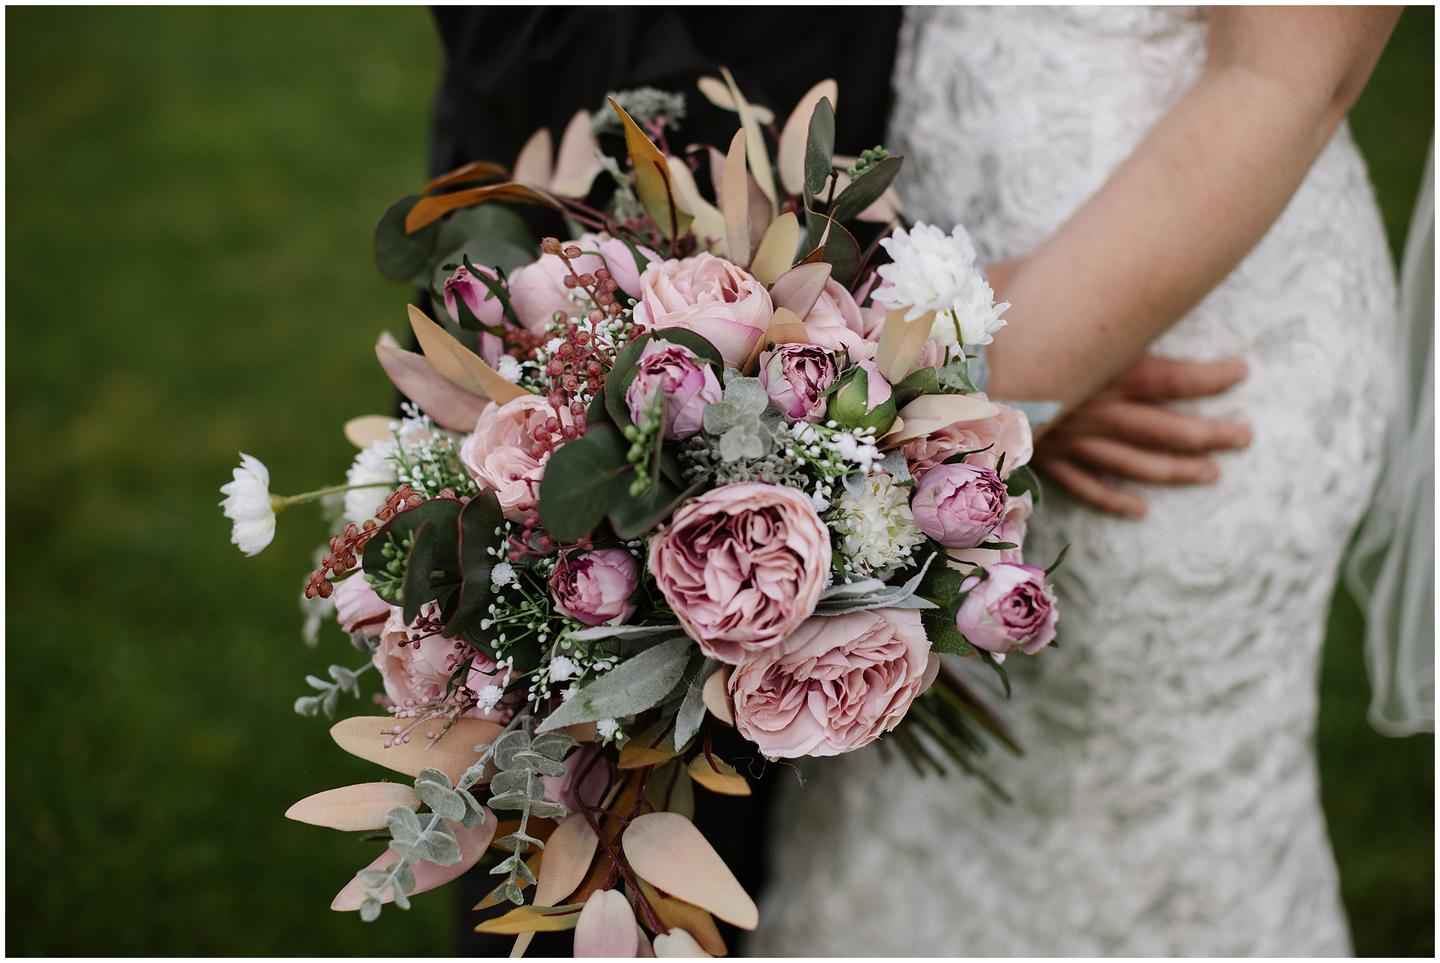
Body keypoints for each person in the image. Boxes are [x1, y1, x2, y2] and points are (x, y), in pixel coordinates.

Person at [751, 6, 1401, 955]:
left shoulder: (949, 379)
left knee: (1133, 833)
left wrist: (952, 388)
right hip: (925, 290)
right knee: (895, 781)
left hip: (1164, 328)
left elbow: (1288, 77)